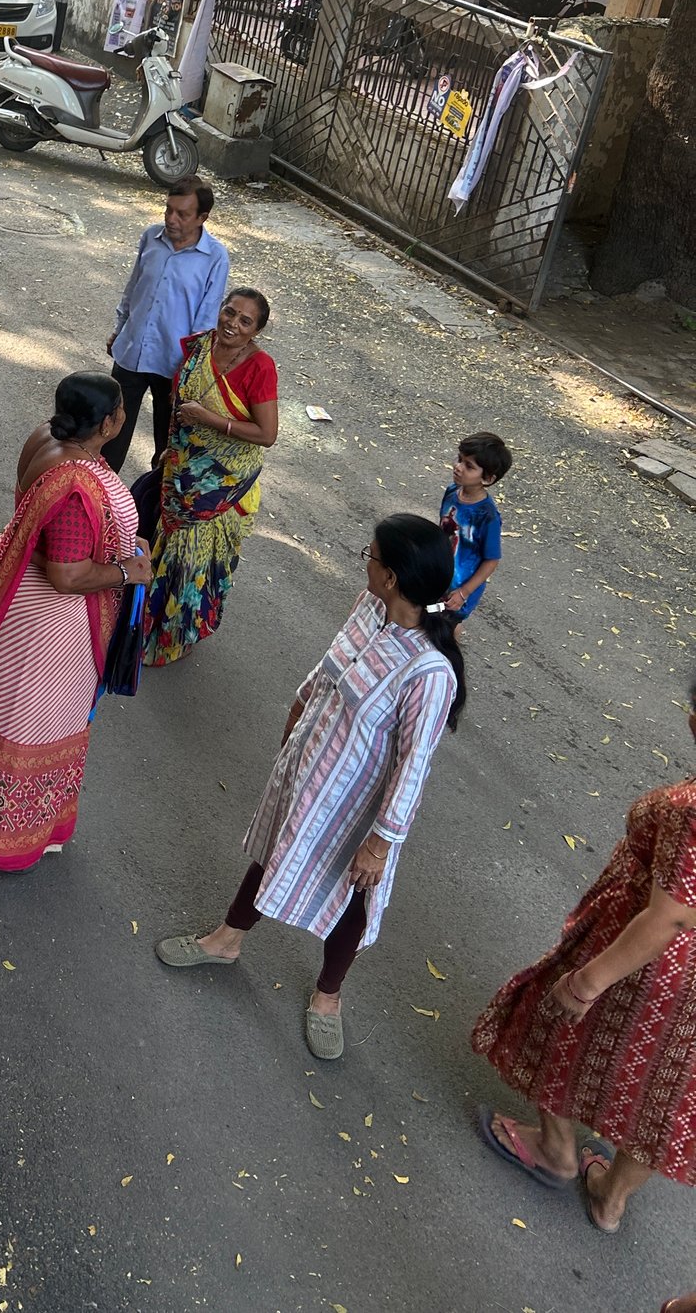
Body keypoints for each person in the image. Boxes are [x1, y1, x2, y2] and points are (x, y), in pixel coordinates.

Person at [156, 513, 464, 1061]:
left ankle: (329, 995)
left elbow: (414, 765)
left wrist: (380, 842)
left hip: (358, 810)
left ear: (392, 576)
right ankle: (227, 940)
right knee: (277, 849)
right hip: (310, 770)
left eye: (370, 556)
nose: (364, 563)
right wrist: (296, 716)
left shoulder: (430, 672)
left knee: (353, 896)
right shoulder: (368, 607)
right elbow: (328, 669)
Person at [471, 689, 696, 1232]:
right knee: (667, 1092)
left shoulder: (692, 812)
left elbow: (669, 918)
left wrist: (587, 982)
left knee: (557, 1018)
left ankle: (555, 1150)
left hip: (652, 962)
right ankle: (610, 1200)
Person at [0, 373, 148, 870]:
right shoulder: (77, 485)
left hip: (19, 599)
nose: (125, 417)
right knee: (33, 718)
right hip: (49, 625)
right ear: (107, 423)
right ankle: (0, 840)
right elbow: (66, 573)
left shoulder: (44, 437)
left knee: (5, 708)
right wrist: (127, 571)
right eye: (122, 410)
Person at [139, 286, 279, 666]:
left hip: (222, 482)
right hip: (183, 466)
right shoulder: (202, 346)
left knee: (193, 560)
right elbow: (179, 403)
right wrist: (171, 449)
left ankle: (176, 635)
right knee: (166, 544)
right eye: (229, 312)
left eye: (245, 321)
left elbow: (267, 434)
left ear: (256, 331)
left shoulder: (260, 367)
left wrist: (210, 419)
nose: (232, 324)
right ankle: (148, 621)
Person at [105, 178, 230, 472]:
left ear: (202, 217)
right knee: (109, 437)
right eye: (168, 210)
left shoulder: (215, 257)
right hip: (132, 352)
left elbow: (205, 321)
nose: (171, 219)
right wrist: (119, 328)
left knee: (167, 449)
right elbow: (134, 288)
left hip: (174, 367)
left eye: (182, 214)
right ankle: (101, 497)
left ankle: (156, 501)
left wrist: (188, 374)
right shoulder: (151, 237)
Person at [440, 430, 510, 621]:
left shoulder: (487, 517)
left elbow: (491, 560)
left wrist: (464, 593)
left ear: (488, 478)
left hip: (458, 591)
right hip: (438, 577)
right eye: (459, 459)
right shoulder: (452, 492)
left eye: (469, 466)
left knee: (444, 627)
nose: (458, 467)